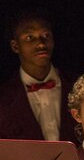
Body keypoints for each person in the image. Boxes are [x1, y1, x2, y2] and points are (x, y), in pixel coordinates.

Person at [0, 10, 77, 142]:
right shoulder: (3, 97)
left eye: (46, 35)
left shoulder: (78, 86)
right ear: (15, 46)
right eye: (30, 38)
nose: (41, 44)